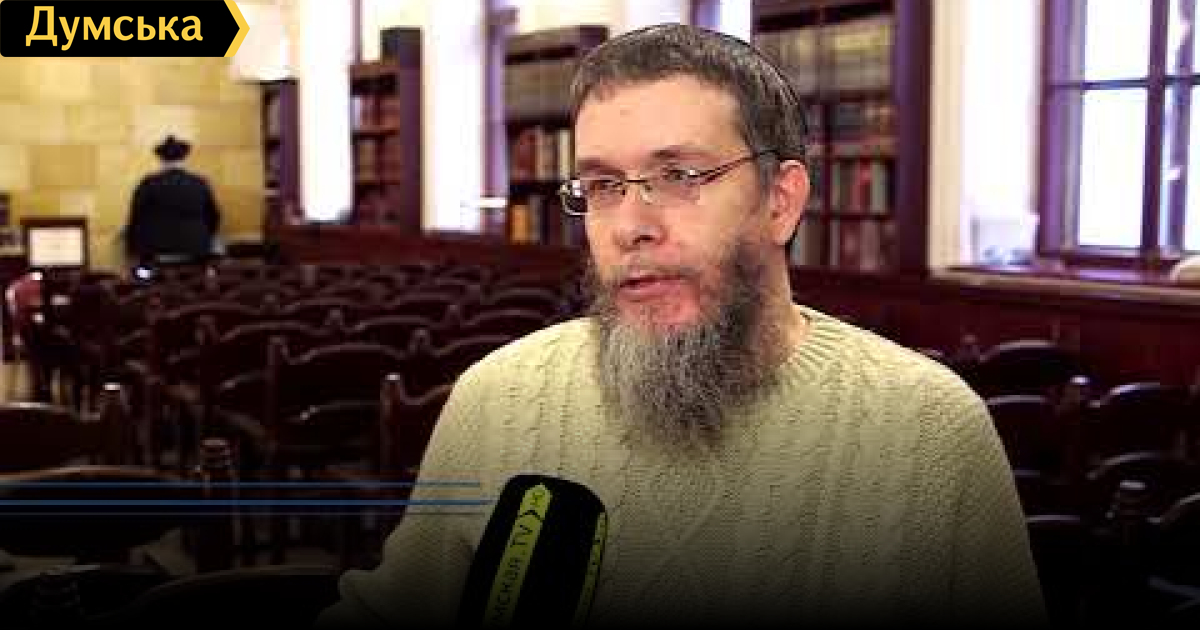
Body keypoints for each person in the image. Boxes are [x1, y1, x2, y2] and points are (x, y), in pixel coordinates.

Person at [315, 24, 1047, 629]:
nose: (630, 226)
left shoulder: (928, 432)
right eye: (603, 185)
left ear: (781, 201)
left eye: (680, 177)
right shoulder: (498, 400)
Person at [122, 134, 221, 269]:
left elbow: (137, 216)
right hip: (195, 250)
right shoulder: (199, 183)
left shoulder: (149, 183)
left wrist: (132, 247)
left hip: (157, 252)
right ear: (184, 159)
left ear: (161, 160)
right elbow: (213, 216)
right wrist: (202, 236)